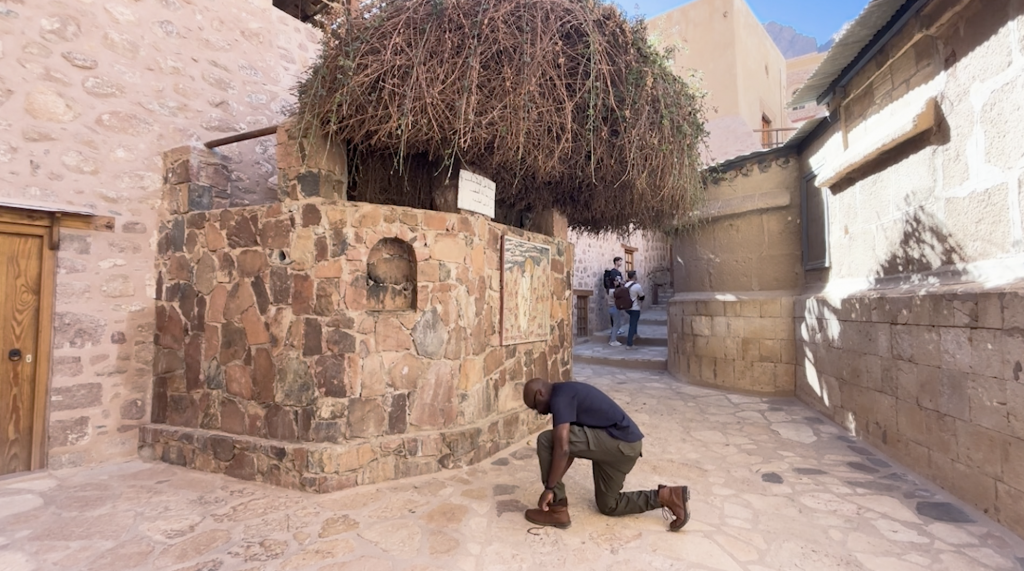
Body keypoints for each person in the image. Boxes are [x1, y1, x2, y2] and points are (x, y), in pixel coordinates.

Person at [520, 378, 691, 531]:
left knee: (546, 440)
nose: (539, 412)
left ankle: (557, 511)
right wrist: (554, 480)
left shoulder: (560, 397)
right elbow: (570, 450)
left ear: (540, 393)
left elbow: (563, 448)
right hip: (626, 447)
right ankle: (669, 496)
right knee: (609, 505)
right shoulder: (567, 393)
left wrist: (550, 488)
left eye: (536, 406)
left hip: (618, 443)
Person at [604, 257, 626, 345]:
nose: (621, 263)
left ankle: (616, 330)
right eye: (620, 261)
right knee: (614, 309)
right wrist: (620, 283)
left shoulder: (619, 273)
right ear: (616, 262)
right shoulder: (613, 272)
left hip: (616, 291)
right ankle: (613, 338)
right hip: (613, 291)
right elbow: (615, 281)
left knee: (617, 310)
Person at [623, 270, 645, 350]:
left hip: (627, 307)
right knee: (632, 324)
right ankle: (629, 344)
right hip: (634, 307)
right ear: (634, 276)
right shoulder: (637, 286)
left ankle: (635, 334)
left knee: (633, 321)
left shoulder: (625, 285)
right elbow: (642, 296)